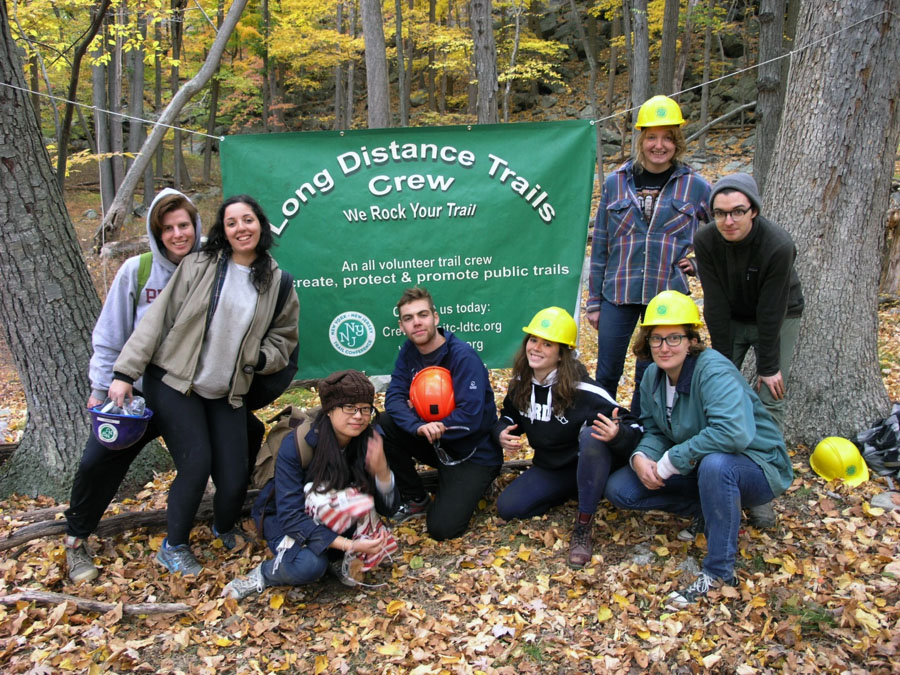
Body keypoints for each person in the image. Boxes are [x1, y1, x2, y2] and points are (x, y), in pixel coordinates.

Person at [108, 195, 299, 576]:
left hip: (226, 392)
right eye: (232, 222)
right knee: (196, 465)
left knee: (232, 476)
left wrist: (261, 360)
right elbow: (156, 321)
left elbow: (285, 338)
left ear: (260, 225)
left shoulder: (277, 280)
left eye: (248, 220)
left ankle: (224, 527)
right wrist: (124, 373)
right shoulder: (200, 265)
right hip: (174, 381)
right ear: (222, 231)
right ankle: (173, 545)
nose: (241, 228)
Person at [604, 291, 793, 608]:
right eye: (656, 339)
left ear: (691, 340)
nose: (664, 347)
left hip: (756, 465)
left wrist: (670, 462)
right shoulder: (652, 375)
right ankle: (711, 511)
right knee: (621, 488)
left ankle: (719, 574)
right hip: (700, 464)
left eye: (674, 338)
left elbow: (733, 433)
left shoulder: (713, 371)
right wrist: (641, 457)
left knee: (717, 466)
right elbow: (654, 428)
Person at [63, 189, 203, 584]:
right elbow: (110, 336)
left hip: (186, 394)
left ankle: (202, 532)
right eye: (167, 228)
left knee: (212, 455)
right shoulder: (136, 272)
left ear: (196, 226)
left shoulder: (213, 268)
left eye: (184, 225)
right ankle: (76, 541)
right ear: (156, 233)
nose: (178, 234)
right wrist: (101, 385)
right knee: (97, 462)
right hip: (134, 395)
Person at [223, 370, 399, 599]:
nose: (359, 416)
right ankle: (264, 574)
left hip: (339, 515)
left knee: (363, 548)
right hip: (289, 519)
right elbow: (290, 515)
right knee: (309, 565)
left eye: (365, 409)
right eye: (349, 408)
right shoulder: (299, 444)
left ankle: (333, 556)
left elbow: (390, 509)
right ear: (329, 410)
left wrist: (382, 474)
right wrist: (349, 546)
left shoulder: (370, 440)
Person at [586, 94, 711, 417]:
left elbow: (721, 234)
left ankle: (642, 431)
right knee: (607, 371)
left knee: (651, 373)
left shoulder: (695, 186)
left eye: (668, 138)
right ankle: (602, 429)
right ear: (642, 140)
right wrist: (594, 300)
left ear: (677, 142)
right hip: (618, 292)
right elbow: (600, 244)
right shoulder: (616, 182)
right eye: (652, 137)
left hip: (667, 296)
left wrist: (697, 264)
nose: (659, 145)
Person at [693, 172, 803, 528]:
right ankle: (712, 481)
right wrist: (724, 368)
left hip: (778, 314)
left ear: (753, 210)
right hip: (731, 315)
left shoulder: (777, 244)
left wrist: (768, 366)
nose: (728, 220)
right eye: (720, 212)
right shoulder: (706, 240)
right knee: (716, 393)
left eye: (737, 211)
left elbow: (771, 310)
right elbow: (715, 304)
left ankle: (763, 492)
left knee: (770, 398)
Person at [493, 307, 641, 568]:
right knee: (508, 508)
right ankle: (574, 490)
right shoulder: (521, 382)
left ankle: (584, 524)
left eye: (547, 344)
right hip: (552, 467)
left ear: (562, 354)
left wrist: (618, 434)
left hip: (589, 461)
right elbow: (511, 415)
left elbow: (634, 426)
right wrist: (501, 431)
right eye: (533, 340)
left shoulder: (585, 391)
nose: (536, 348)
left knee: (591, 436)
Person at [378, 287, 503, 541]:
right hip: (436, 442)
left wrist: (434, 425)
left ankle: (474, 484)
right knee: (383, 425)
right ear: (402, 325)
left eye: (422, 315)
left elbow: (470, 417)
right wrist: (417, 427)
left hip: (474, 454)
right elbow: (393, 398)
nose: (417, 323)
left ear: (435, 317)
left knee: (442, 529)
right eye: (408, 318)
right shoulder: (409, 352)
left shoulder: (462, 356)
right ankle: (416, 496)